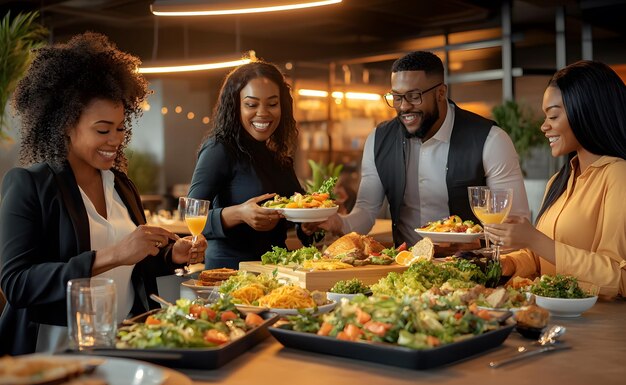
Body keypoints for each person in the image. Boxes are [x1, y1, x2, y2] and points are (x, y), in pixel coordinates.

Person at [0, 33, 206, 355]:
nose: (115, 140)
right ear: (67, 124)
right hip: (55, 348)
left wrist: (169, 256)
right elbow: (17, 284)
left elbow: (135, 269)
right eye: (102, 129)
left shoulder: (121, 185)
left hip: (123, 339)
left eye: (121, 128)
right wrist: (112, 255)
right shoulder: (29, 185)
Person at [306, 51, 530, 247]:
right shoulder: (379, 139)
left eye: (414, 96)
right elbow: (365, 211)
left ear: (441, 93)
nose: (404, 107)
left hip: (472, 271)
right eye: (397, 97)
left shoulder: (491, 140)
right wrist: (338, 222)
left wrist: (474, 244)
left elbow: (517, 224)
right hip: (406, 274)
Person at [484, 60, 626, 298]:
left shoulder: (618, 175)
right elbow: (544, 259)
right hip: (552, 318)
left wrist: (533, 238)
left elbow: (619, 279)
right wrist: (508, 264)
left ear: (586, 113)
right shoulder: (559, 180)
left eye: (553, 116)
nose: (544, 126)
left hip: (599, 327)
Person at [188, 61, 311, 269]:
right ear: (236, 106)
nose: (263, 113)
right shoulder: (220, 149)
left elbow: (295, 211)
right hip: (229, 274)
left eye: (272, 104)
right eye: (251, 105)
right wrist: (239, 214)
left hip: (276, 271)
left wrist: (308, 225)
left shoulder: (278, 156)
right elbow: (190, 215)